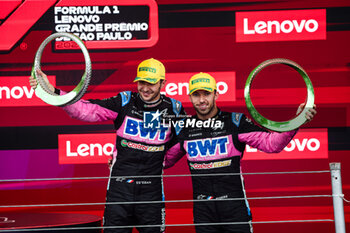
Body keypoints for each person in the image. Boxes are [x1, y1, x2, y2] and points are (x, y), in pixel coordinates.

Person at [29, 58, 186, 233]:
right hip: (120, 192)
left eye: (151, 83)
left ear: (163, 83)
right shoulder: (125, 101)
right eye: (142, 82)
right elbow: (86, 110)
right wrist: (52, 90)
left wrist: (162, 162)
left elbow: (182, 143)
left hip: (152, 194)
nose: (145, 88)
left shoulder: (174, 108)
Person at [163, 72, 317, 233]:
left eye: (206, 93)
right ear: (190, 97)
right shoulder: (184, 127)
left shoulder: (235, 122)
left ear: (216, 93)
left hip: (235, 210)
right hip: (204, 213)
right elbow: (165, 161)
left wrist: (297, 120)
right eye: (196, 95)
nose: (202, 100)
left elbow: (271, 144)